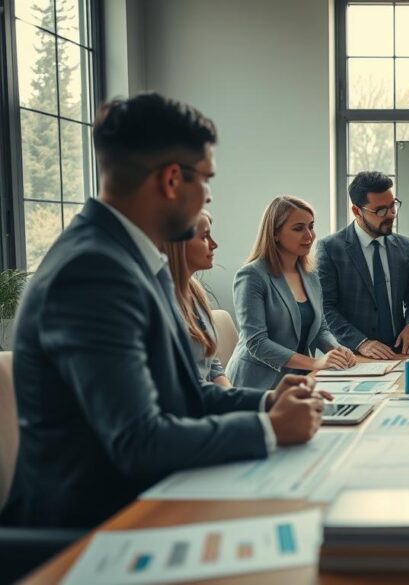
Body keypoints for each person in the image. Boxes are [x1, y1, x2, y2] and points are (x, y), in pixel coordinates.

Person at [0, 93, 325, 529]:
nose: (207, 199)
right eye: (206, 181)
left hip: (154, 500)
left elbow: (181, 396)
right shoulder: (92, 272)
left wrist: (268, 402)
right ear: (172, 181)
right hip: (93, 531)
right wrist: (270, 430)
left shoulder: (132, 259)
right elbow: (138, 441)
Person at [228, 196, 356, 388]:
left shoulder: (310, 275)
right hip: (257, 383)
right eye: (298, 228)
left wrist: (337, 349)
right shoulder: (251, 276)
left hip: (300, 379)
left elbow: (320, 327)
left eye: (311, 226)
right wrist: (316, 363)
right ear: (275, 233)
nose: (309, 235)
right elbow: (257, 343)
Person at [316, 171, 409, 359]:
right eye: (380, 210)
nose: (391, 215)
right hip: (354, 355)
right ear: (357, 211)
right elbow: (326, 308)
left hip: (400, 353)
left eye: (393, 206)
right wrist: (361, 342)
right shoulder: (330, 248)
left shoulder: (404, 245)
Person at [163, 210, 232, 387]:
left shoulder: (195, 291)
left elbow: (213, 364)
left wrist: (231, 394)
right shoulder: (162, 301)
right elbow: (187, 385)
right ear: (179, 244)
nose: (214, 244)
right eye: (205, 237)